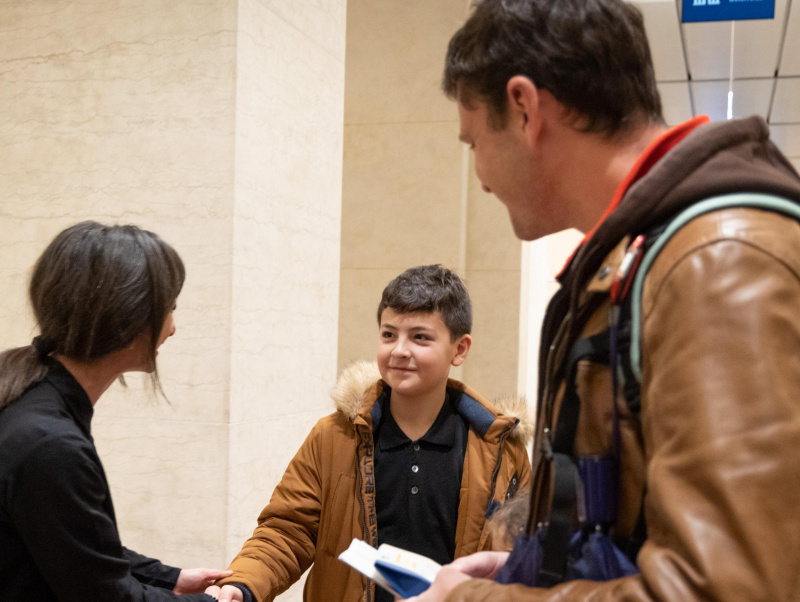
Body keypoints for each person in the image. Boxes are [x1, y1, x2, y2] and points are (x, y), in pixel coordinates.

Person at [403, 0, 800, 600]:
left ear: (524, 108)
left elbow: (727, 588)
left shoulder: (715, 262)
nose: (480, 175)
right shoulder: (652, 256)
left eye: (473, 141)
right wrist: (531, 569)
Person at [206, 265, 532, 602]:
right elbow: (288, 530)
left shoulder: (502, 450)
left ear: (460, 349)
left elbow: (523, 556)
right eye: (389, 334)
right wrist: (242, 585)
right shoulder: (333, 437)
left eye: (420, 337)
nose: (399, 350)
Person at [0, 221, 231, 601]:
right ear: (128, 319)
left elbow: (74, 544)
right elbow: (107, 596)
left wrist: (167, 577)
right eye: (169, 309)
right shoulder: (51, 446)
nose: (172, 329)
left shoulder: (27, 392)